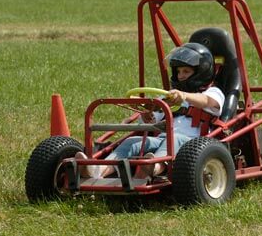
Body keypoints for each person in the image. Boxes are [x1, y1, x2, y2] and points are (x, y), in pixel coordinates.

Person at [76, 42, 225, 179]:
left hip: (194, 144)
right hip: (162, 138)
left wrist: (184, 96)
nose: (181, 76)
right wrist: (147, 115)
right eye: (178, 72)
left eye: (186, 71)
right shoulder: (170, 96)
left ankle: (151, 168)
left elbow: (207, 102)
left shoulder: (213, 93)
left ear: (201, 72)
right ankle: (97, 171)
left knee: (173, 140)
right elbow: (152, 119)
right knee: (132, 142)